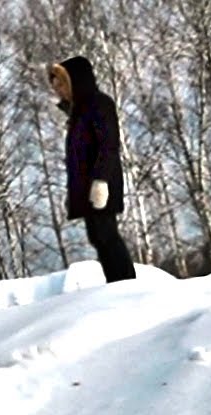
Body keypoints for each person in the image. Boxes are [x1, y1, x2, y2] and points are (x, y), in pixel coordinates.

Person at [47, 55, 136, 282]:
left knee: (107, 235)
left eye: (61, 83)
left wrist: (101, 181)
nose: (57, 89)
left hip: (101, 183)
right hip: (88, 186)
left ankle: (126, 285)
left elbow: (108, 144)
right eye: (55, 85)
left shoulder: (100, 104)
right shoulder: (78, 114)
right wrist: (74, 192)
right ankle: (116, 283)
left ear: (76, 81)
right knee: (97, 237)